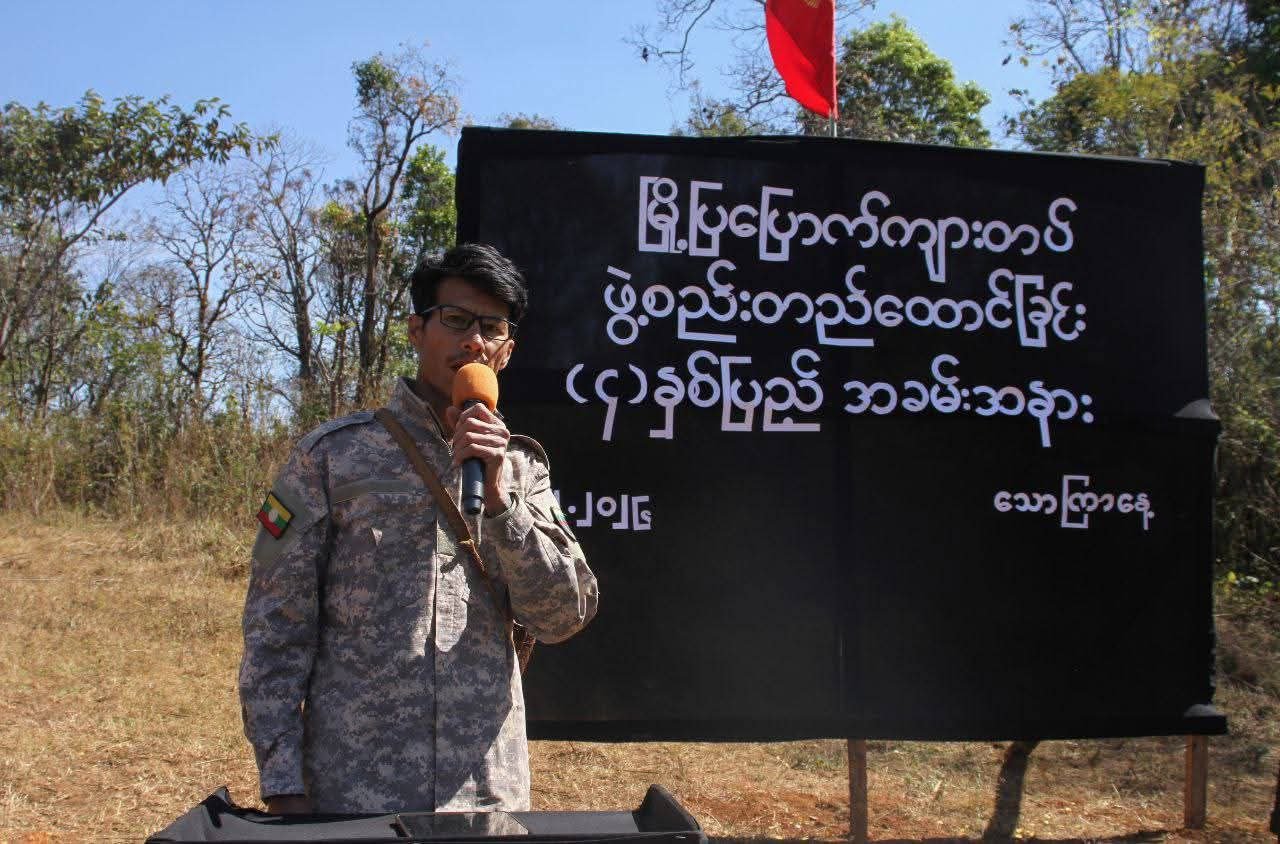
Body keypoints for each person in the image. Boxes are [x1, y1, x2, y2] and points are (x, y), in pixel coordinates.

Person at [238, 243, 598, 815]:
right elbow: (274, 625)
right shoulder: (329, 457)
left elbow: (563, 616)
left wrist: (501, 504)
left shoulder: (523, 470)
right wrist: (282, 783)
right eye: (455, 320)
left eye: (492, 328)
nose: (474, 341)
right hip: (354, 792)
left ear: (507, 352)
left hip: (484, 794)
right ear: (416, 330)